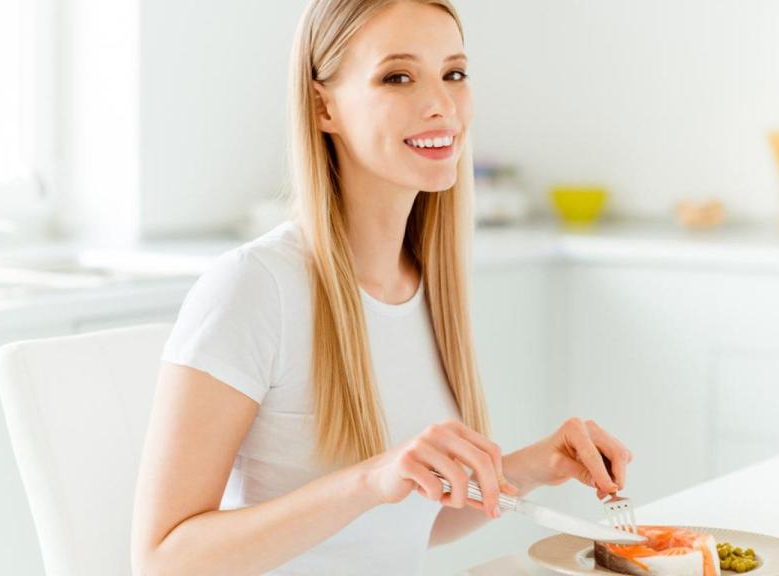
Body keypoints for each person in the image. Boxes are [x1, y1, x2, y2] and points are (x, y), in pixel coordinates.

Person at [130, 1, 633, 574]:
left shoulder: (426, 284)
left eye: (454, 74)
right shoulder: (256, 287)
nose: (441, 104)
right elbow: (162, 560)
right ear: (324, 106)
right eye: (398, 77)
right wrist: (371, 478)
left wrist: (533, 465)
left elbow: (409, 524)